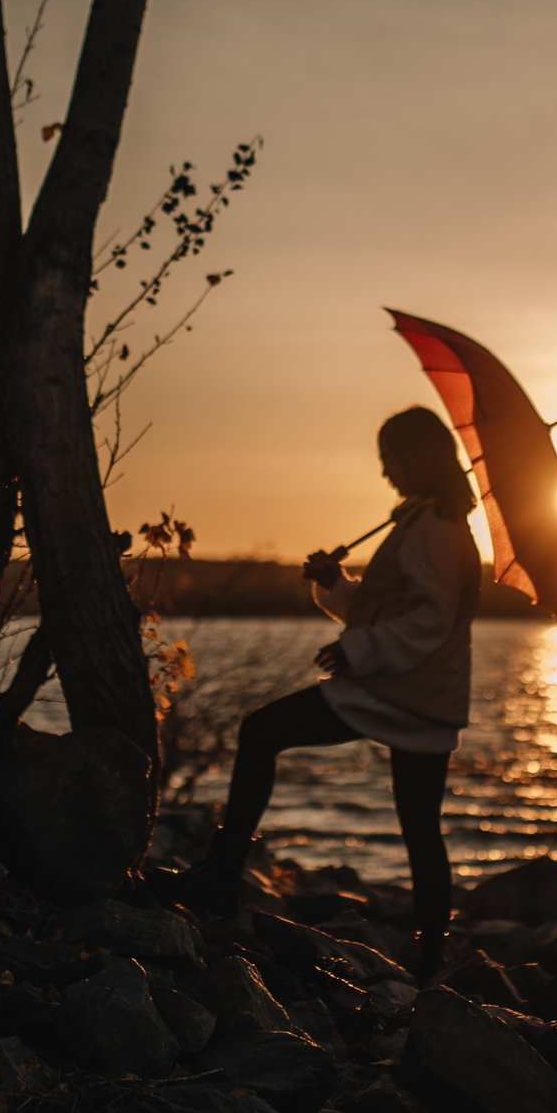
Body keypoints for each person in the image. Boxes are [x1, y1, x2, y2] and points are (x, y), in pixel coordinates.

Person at [180, 405, 482, 979]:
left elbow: (429, 621)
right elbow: (387, 609)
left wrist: (355, 652)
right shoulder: (425, 524)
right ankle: (434, 959)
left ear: (416, 458)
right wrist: (334, 586)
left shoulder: (436, 530)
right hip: (422, 697)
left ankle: (221, 876)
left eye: (391, 459)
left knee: (261, 732)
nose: (387, 471)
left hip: (396, 692)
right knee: (420, 828)